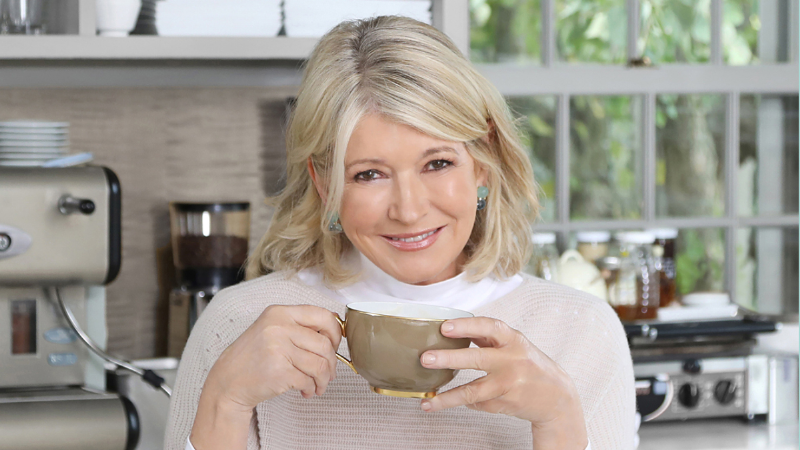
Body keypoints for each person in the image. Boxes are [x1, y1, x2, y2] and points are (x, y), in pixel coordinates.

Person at [164, 15, 635, 450]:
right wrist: (224, 402)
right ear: (325, 183)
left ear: (483, 164)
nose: (408, 211)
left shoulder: (581, 333)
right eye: (369, 174)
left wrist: (559, 422)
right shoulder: (237, 325)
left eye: (438, 163)